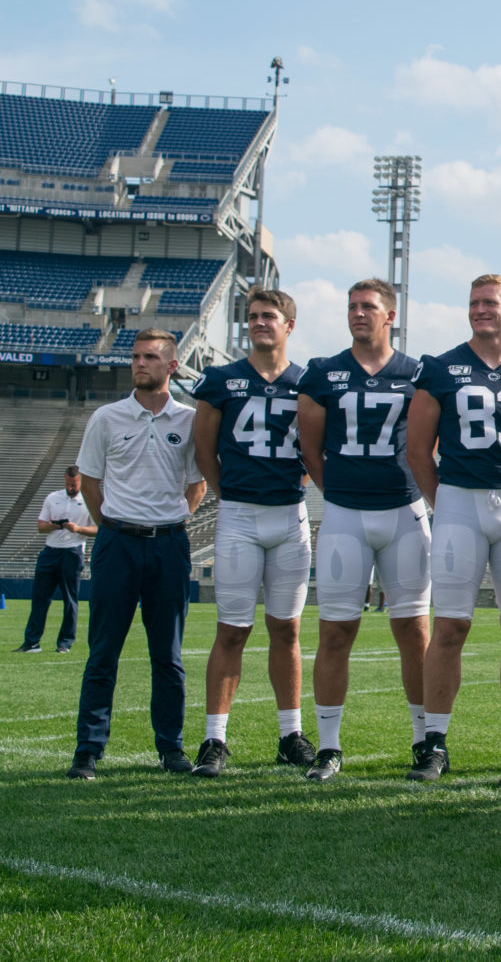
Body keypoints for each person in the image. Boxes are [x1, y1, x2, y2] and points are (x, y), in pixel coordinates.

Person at [405, 274, 501, 784]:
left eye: (491, 303)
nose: (481, 310)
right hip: (461, 499)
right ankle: (435, 743)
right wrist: (445, 502)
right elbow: (417, 450)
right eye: (474, 303)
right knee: (450, 626)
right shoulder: (440, 368)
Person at [296, 279, 432, 782]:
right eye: (351, 306)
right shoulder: (324, 372)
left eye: (368, 307)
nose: (357, 314)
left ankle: (424, 740)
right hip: (346, 515)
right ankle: (328, 746)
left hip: (404, 513)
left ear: (389, 315)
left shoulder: (417, 372)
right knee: (334, 633)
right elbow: (310, 450)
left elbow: (429, 440)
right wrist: (341, 492)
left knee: (415, 632)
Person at [66, 330, 207, 779]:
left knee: (167, 654)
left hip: (168, 545)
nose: (139, 363)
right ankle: (88, 750)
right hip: (116, 543)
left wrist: (170, 519)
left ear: (172, 367)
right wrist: (113, 520)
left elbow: (197, 483)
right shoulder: (107, 417)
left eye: (150, 357)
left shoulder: (189, 420)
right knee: (103, 650)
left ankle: (171, 747)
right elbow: (90, 480)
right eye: (135, 356)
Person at [188, 287, 316, 776]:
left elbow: (315, 449)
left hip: (288, 515)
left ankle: (290, 734)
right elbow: (204, 452)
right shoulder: (221, 379)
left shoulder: (307, 381)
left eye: (270, 316)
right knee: (232, 631)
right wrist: (230, 494)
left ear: (289, 325)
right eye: (254, 316)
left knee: (287, 628)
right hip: (240, 515)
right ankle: (214, 740)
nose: (260, 322)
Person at [15, 466, 95, 654]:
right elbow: (40, 526)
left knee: (69, 599)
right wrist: (54, 526)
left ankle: (65, 643)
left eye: (73, 485)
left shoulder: (88, 501)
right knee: (40, 598)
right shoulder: (53, 497)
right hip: (50, 551)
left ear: (80, 482)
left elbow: (99, 529)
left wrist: (78, 529)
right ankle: (32, 642)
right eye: (67, 484)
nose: (70, 488)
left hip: (72, 552)